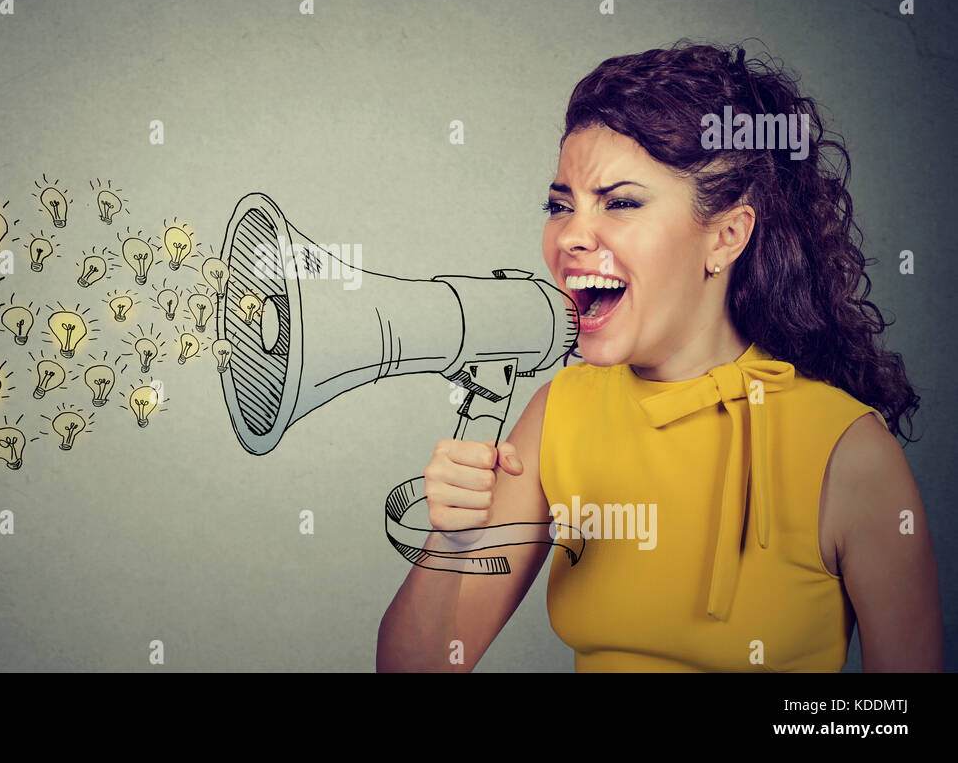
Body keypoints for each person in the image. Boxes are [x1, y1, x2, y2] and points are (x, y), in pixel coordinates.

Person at [376, 41, 942, 672]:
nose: (572, 236)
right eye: (560, 205)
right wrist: (448, 539)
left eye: (621, 202)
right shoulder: (558, 412)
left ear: (726, 235)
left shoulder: (851, 452)